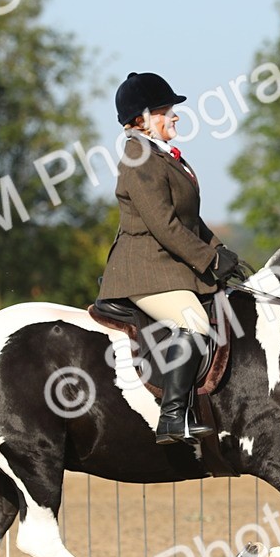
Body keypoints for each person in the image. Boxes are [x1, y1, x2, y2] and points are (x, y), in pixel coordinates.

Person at [97, 72, 242, 445]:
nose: (175, 117)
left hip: (169, 266)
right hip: (144, 270)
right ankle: (173, 416)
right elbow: (163, 225)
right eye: (166, 111)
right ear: (142, 119)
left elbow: (188, 220)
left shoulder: (162, 157)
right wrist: (208, 261)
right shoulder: (138, 158)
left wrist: (220, 251)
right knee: (194, 322)